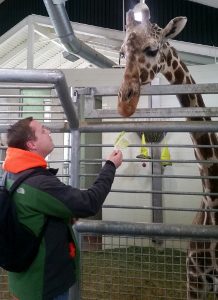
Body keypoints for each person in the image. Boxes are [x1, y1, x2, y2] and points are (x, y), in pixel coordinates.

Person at [2, 116, 123, 300]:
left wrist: (64, 215)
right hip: (44, 285)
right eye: (43, 130)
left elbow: (31, 215)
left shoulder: (10, 173)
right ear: (31, 144)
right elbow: (89, 202)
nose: (49, 132)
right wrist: (110, 166)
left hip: (23, 279)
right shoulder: (39, 183)